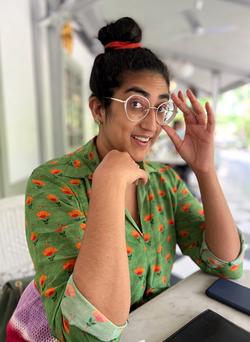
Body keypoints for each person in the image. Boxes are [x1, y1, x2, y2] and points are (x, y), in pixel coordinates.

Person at [7, 17, 245, 342]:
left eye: (161, 109)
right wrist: (108, 183)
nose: (151, 125)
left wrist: (205, 170)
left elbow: (226, 265)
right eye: (136, 104)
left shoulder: (163, 181)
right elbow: (86, 333)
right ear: (98, 109)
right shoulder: (54, 184)